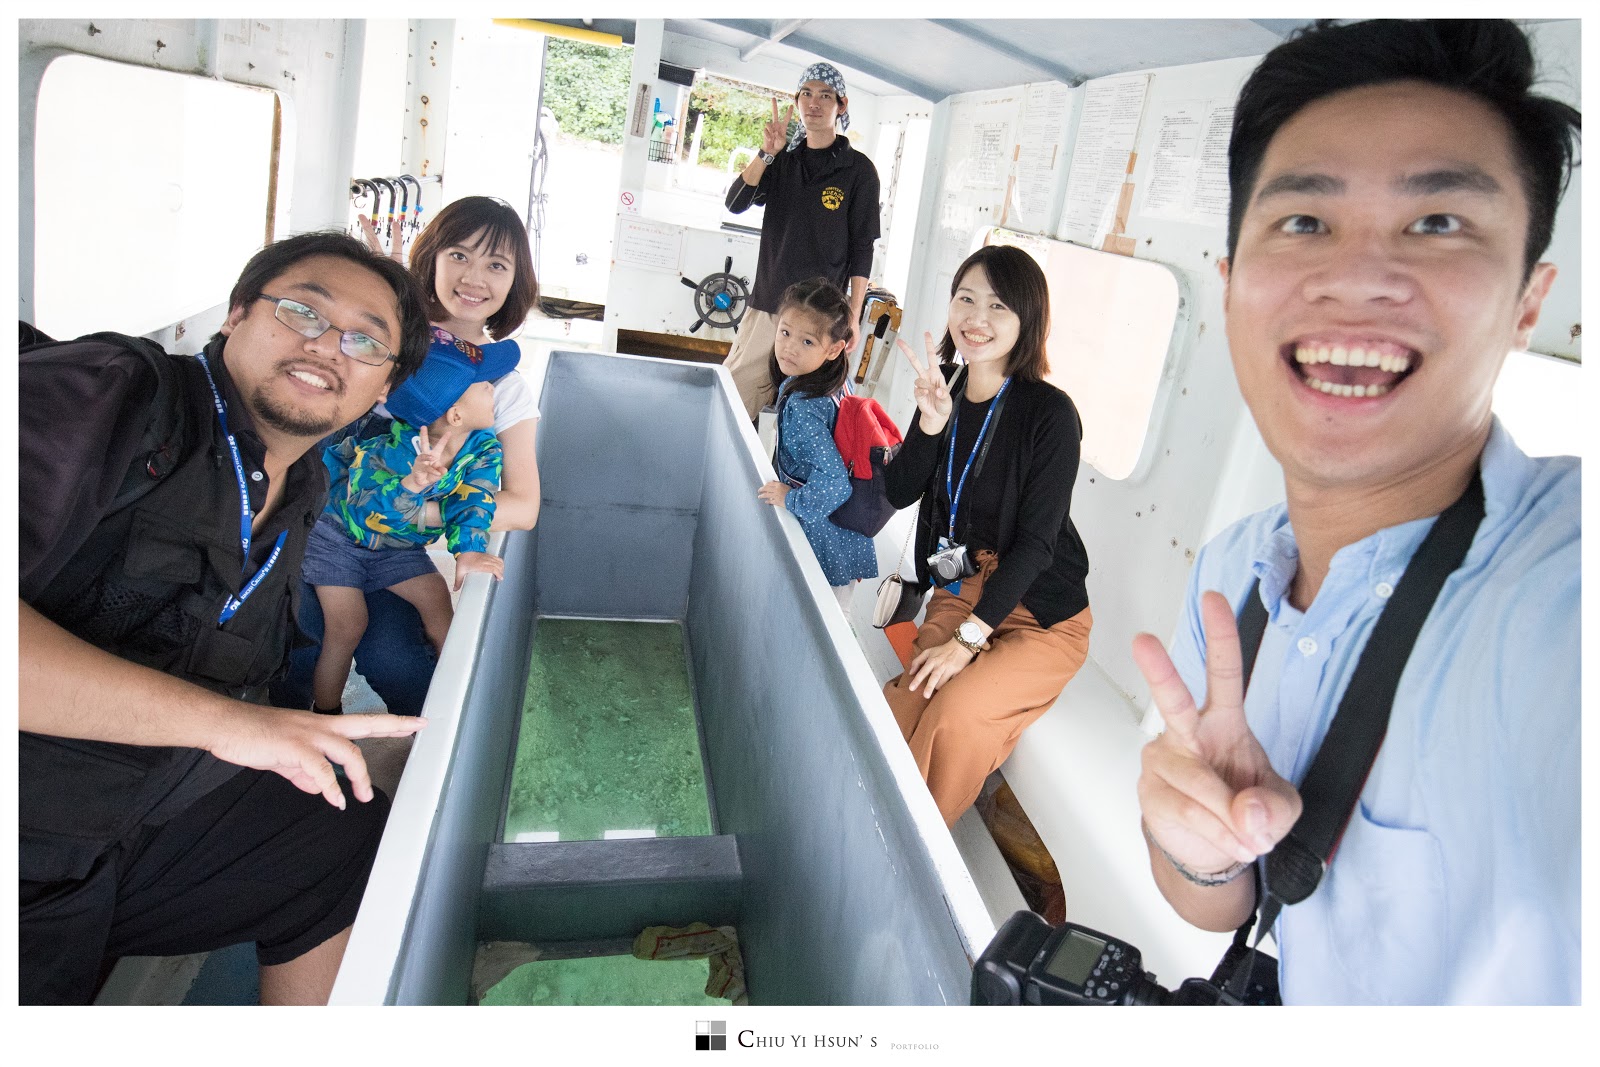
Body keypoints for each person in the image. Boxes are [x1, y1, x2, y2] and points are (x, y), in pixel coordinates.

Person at [1129, 19, 1580, 1004]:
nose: (1360, 278)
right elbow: (1216, 905)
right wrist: (1202, 846)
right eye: (1303, 222)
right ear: (1229, 288)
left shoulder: (1563, 587)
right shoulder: (1232, 572)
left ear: (1526, 303)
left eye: (1438, 222)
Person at [19, 231, 432, 1004]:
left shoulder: (301, 490)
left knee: (342, 835)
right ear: (237, 314)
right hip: (30, 825)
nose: (327, 345)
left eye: (365, 341)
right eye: (303, 311)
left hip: (128, 818)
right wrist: (228, 724)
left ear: (381, 390)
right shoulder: (115, 394)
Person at [275, 196, 541, 716]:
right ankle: (295, 732)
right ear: (432, 257)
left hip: (396, 544)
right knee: (300, 641)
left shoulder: (504, 388)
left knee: (401, 664)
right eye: (459, 255)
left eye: (496, 265)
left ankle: (442, 732)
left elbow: (524, 506)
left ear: (516, 280)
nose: (474, 277)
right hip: (322, 527)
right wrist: (382, 294)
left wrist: (407, 512)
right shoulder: (387, 338)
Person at [880, 244, 1093, 827]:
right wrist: (929, 426)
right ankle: (866, 821)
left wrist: (968, 642)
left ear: (1028, 319)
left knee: (958, 714)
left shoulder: (1050, 414)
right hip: (962, 589)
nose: (977, 318)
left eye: (998, 306)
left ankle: (910, 848)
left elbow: (1037, 545)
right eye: (966, 299)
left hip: (1041, 615)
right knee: (907, 701)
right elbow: (899, 491)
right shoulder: (944, 389)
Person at [305, 338, 509, 715]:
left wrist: (469, 551)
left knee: (436, 598)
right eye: (484, 386)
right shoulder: (387, 450)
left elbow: (475, 497)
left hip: (395, 548)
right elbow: (365, 513)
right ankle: (326, 715)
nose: (493, 389)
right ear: (455, 415)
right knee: (347, 627)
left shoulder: (483, 447)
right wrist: (411, 485)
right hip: (337, 539)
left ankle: (457, 697)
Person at [722, 62, 882, 421]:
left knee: (806, 414)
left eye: (825, 95)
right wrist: (767, 152)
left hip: (820, 318)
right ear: (797, 102)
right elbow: (735, 203)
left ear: (841, 105)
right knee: (733, 401)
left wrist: (853, 317)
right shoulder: (781, 161)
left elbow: (862, 248)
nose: (814, 102)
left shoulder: (859, 171)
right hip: (768, 306)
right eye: (806, 94)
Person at [756, 278, 878, 608]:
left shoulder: (804, 406)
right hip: (845, 533)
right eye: (785, 332)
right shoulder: (835, 380)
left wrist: (791, 498)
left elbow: (836, 483)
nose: (790, 348)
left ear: (834, 349)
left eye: (807, 341)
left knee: (816, 622)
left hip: (825, 542)